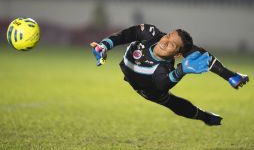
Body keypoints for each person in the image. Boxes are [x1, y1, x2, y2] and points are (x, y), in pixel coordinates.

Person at [90, 24, 249, 126]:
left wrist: (181, 71)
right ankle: (231, 76)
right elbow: (125, 35)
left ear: (177, 55)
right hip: (128, 69)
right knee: (198, 52)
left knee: (172, 102)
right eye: (167, 36)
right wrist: (104, 46)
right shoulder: (151, 33)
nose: (165, 41)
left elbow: (162, 85)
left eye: (172, 44)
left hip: (148, 90)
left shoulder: (163, 68)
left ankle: (205, 117)